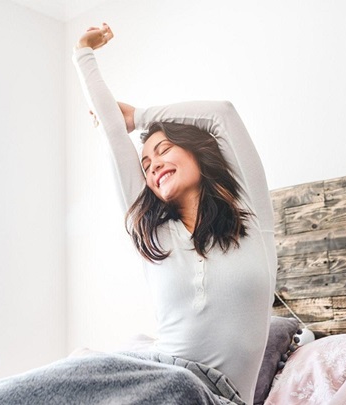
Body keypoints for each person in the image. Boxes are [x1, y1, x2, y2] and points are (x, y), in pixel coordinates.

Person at [72, 23, 277, 405]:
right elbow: (113, 136)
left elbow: (223, 115)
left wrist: (141, 117)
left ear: (196, 153)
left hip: (209, 396)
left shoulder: (253, 220)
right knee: (69, 373)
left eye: (164, 149)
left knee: (176, 388)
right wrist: (82, 54)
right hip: (158, 377)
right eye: (146, 162)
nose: (152, 165)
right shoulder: (154, 238)